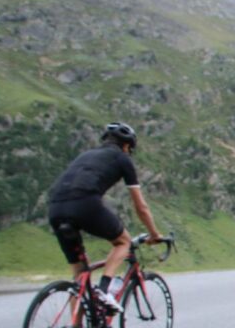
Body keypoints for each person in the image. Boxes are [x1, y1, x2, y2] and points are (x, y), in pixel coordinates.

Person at [47, 122, 163, 314]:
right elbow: (141, 207)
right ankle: (104, 289)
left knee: (80, 276)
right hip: (84, 203)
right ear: (126, 146)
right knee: (123, 242)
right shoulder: (122, 159)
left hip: (55, 209)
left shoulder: (85, 155)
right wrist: (154, 234)